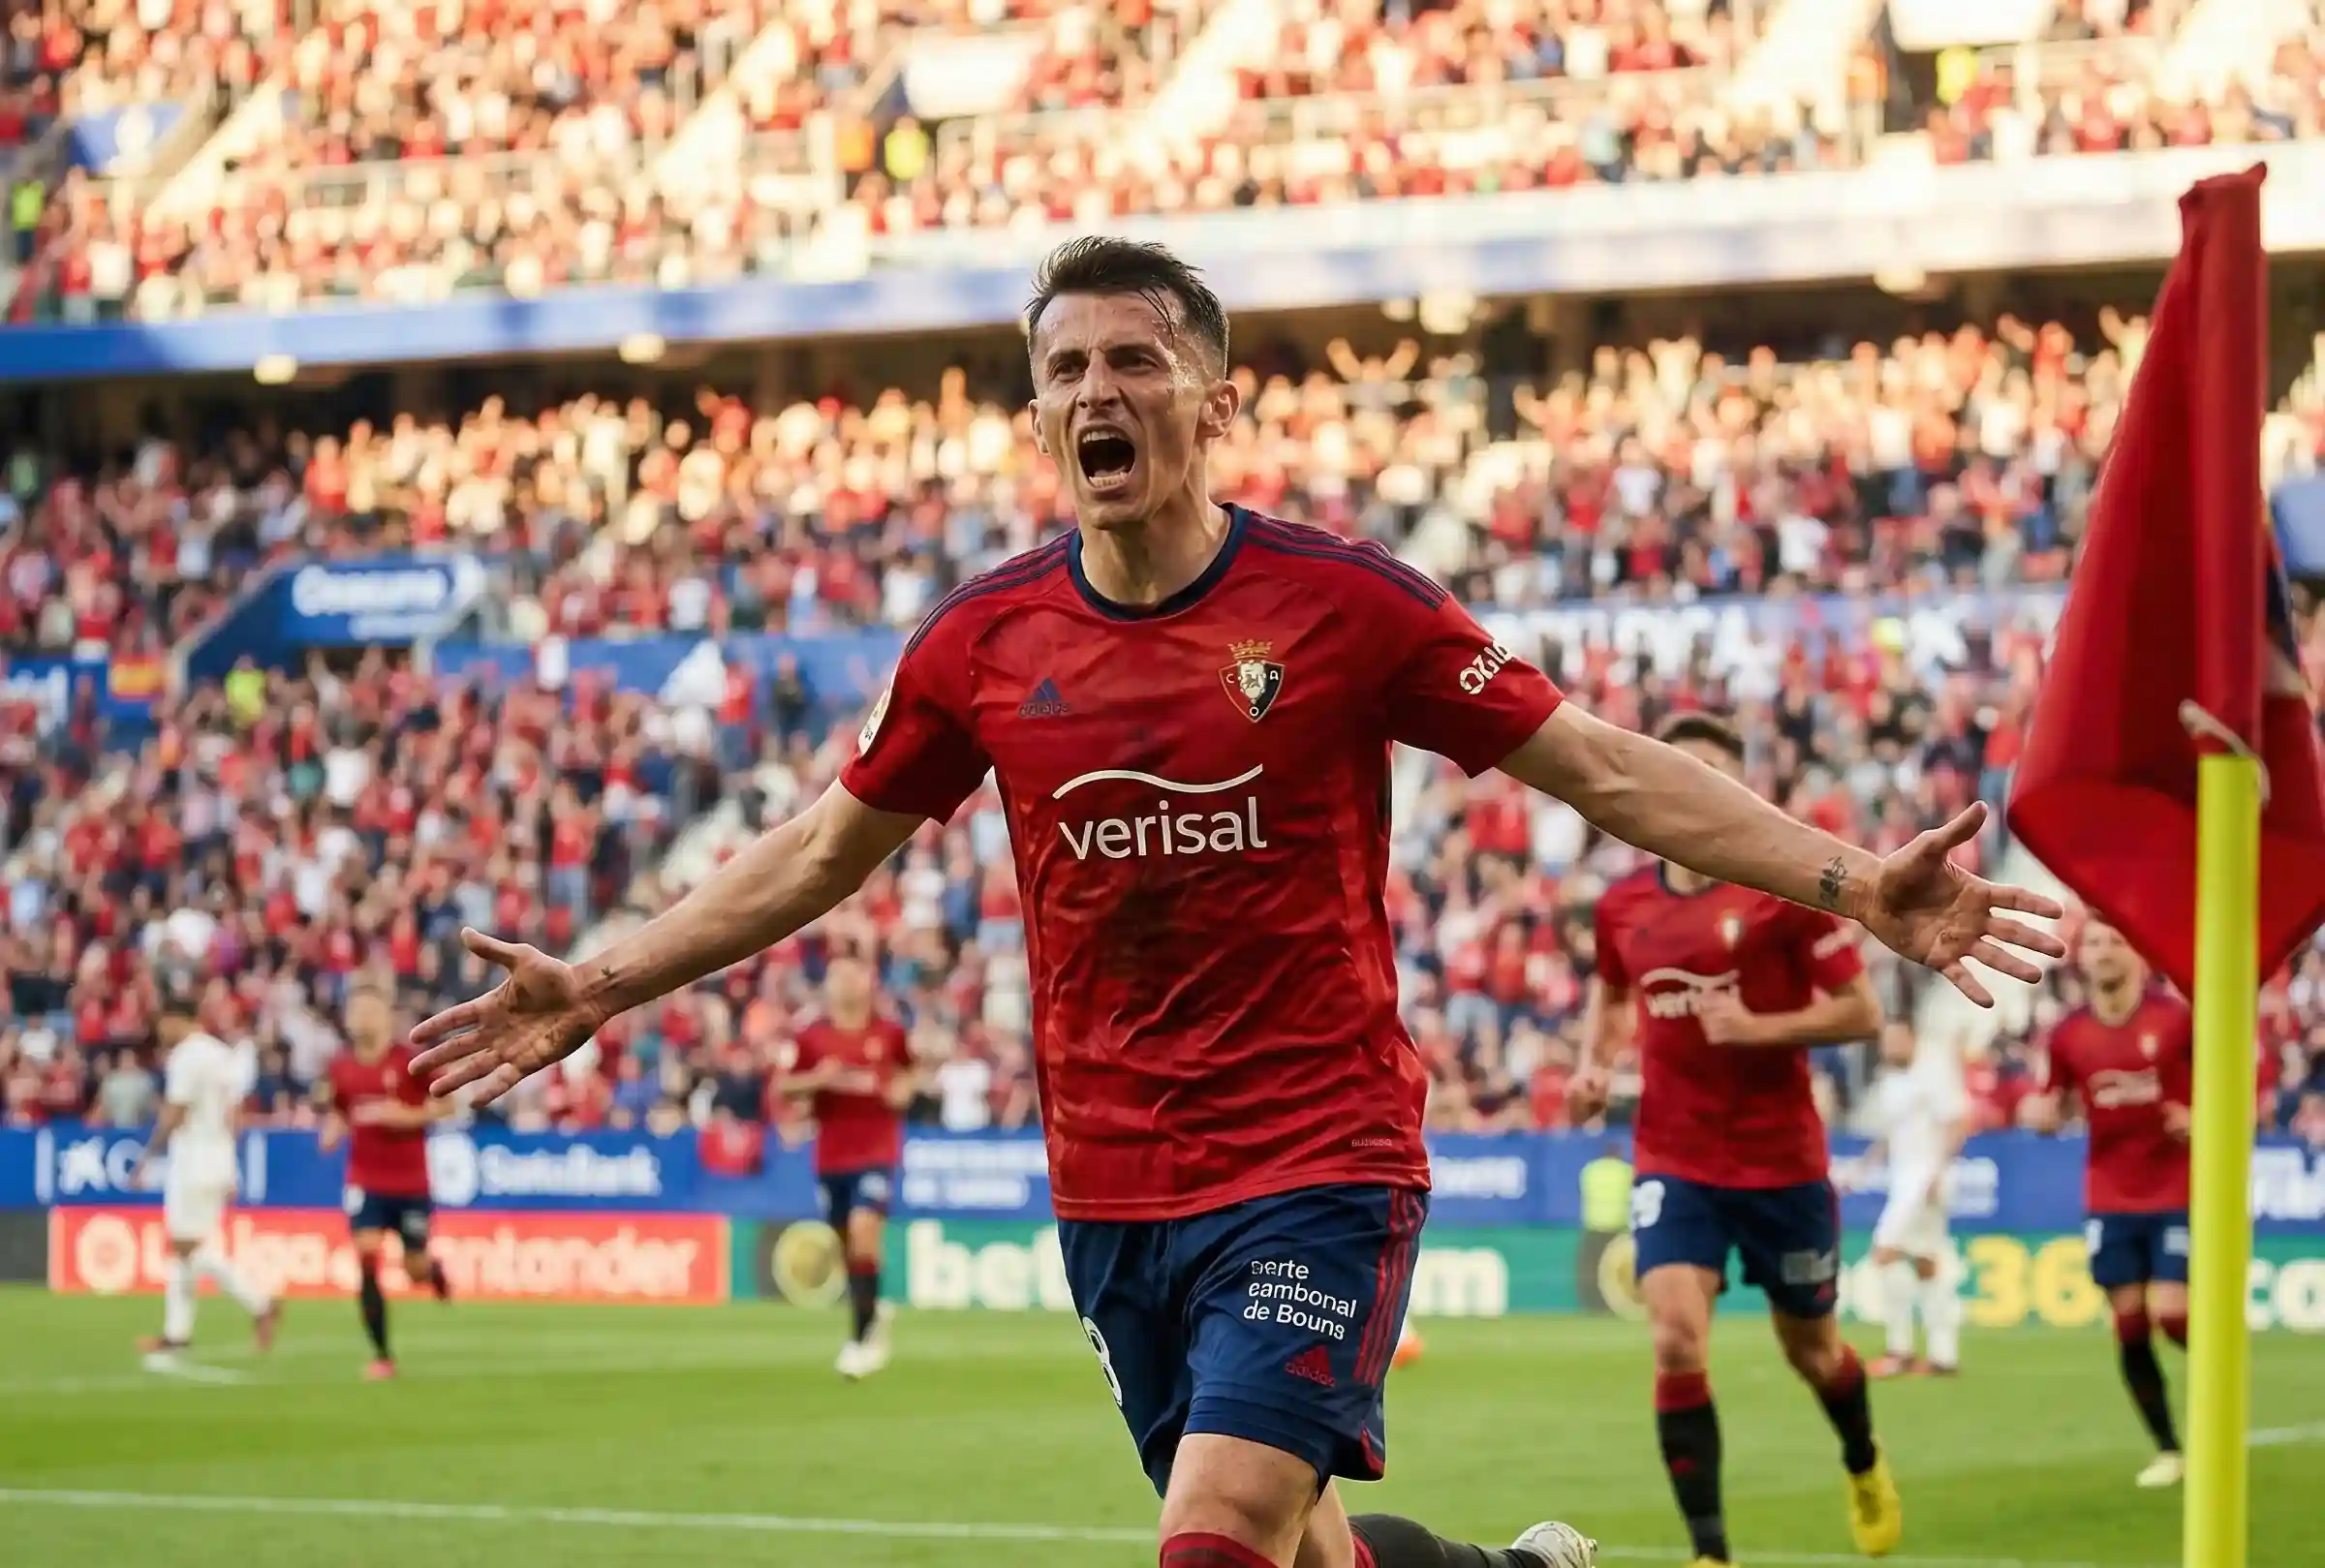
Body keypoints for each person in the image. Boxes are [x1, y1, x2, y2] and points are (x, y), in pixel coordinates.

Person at [408, 237, 2062, 1568]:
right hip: (1113, 1175)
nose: (1096, 389)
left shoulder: (1344, 604)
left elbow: (1605, 770)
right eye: (1065, 367)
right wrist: (605, 979)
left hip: (1318, 1154)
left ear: (1216, 399)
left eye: (1135, 357)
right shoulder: (979, 643)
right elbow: (822, 849)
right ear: (1038, 420)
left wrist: (1859, 882)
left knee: (1212, 1540)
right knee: (1306, 1541)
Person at [1566, 713, 1902, 1568]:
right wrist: (1592, 1064)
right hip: (1675, 1157)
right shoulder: (1623, 905)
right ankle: (1710, 1552)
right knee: (1675, 1334)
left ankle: (1862, 1460)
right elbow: (1610, 996)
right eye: (1675, 769)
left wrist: (1756, 1026)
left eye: (1708, 772)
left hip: (1782, 1162)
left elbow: (1863, 1012)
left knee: (1815, 1353)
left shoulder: (1782, 894)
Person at [2023, 918, 2192, 1489]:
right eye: (2094, 942)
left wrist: (2201, 1120)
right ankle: (2170, 1448)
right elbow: (2053, 1102)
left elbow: (2231, 1083)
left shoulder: (2176, 1018)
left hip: (2176, 1187)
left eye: (2116, 941)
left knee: (2173, 1314)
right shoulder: (2068, 1034)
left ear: (2139, 953)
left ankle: (2221, 1384)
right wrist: (2041, 1117)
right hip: (2110, 1192)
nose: (2103, 952)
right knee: (2129, 1321)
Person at [773, 949, 915, 1379]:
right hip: (832, 1154)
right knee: (847, 1245)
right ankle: (872, 1308)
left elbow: (909, 1073)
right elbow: (783, 1088)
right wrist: (819, 1079)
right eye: (838, 976)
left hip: (876, 1151)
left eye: (854, 976)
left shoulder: (888, 1034)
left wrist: (901, 1094)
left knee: (863, 1232)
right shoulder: (812, 1039)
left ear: (868, 983)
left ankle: (860, 1340)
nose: (846, 984)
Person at [131, 994, 279, 1366]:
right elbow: (235, 1114)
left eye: (163, 1023)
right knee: (185, 1249)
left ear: (177, 1019)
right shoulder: (220, 1054)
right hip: (218, 1156)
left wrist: (146, 1158)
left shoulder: (186, 1056)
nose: (160, 1031)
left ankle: (260, 1302)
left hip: (193, 1159)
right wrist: (232, 1162)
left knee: (186, 1247)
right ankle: (176, 1333)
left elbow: (175, 1113)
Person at [321, 983, 454, 1379]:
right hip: (364, 1179)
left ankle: (432, 1271)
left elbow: (447, 1105)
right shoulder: (340, 1067)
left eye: (369, 1010)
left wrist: (407, 1117)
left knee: (413, 1268)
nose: (361, 1018)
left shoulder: (411, 1062)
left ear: (384, 1017)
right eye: (355, 1010)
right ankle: (382, 1355)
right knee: (366, 1255)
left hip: (410, 1182)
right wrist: (332, 1131)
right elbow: (341, 1110)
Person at [1860, 1022, 1969, 1378]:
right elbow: (1893, 1133)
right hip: (1904, 1177)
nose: (1890, 1046)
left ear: (1912, 1040)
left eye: (1896, 1039)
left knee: (1884, 1253)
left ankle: (1899, 1350)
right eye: (1886, 1041)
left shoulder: (1933, 1073)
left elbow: (1958, 1121)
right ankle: (1943, 1355)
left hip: (1925, 1178)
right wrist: (1867, 1164)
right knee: (1926, 1262)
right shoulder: (1890, 1081)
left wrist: (1939, 1169)